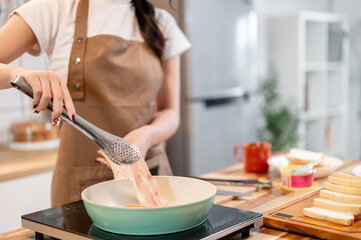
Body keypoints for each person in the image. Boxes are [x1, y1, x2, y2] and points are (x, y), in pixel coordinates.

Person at [0, 0, 191, 206]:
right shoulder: (54, 8)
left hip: (149, 172)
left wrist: (145, 136)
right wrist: (17, 73)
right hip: (79, 187)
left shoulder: (162, 23)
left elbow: (169, 112)